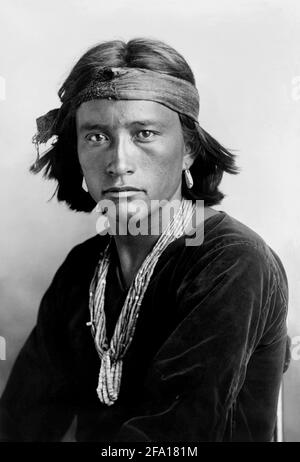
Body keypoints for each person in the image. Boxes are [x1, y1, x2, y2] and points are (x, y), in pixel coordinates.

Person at [0, 38, 289, 442]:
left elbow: (172, 437)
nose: (118, 164)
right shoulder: (83, 268)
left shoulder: (230, 261)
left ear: (188, 149)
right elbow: (20, 423)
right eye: (96, 136)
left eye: (145, 133)